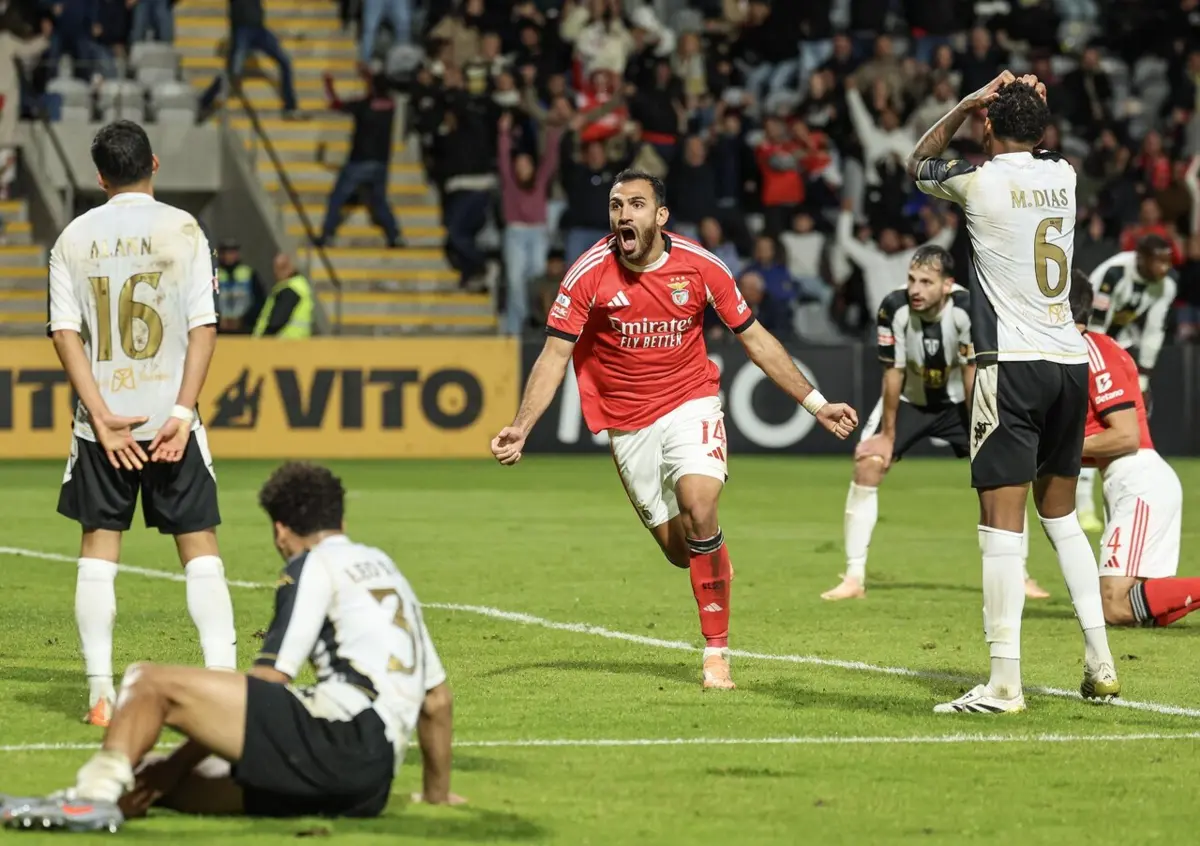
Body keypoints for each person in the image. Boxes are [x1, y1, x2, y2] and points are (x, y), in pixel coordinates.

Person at [489, 169, 859, 691]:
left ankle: (716, 654)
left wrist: (815, 403)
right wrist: (522, 426)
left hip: (691, 401)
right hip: (627, 422)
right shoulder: (588, 272)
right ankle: (713, 563)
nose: (623, 214)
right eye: (616, 205)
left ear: (660, 216)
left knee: (699, 505)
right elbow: (554, 355)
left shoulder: (701, 266)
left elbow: (755, 339)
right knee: (682, 551)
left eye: (636, 204)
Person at [0, 462, 459, 832]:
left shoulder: (312, 565)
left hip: (337, 738)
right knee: (152, 779)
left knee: (147, 681)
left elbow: (270, 680)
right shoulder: (383, 566)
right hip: (366, 786)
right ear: (341, 519)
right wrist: (436, 794)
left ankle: (91, 799)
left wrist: (177, 761)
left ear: (280, 530)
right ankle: (88, 802)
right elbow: (436, 700)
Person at [908, 71, 1118, 714]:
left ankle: (1004, 683)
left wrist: (967, 103)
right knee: (1062, 518)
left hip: (1013, 366)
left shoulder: (978, 182)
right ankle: (1101, 662)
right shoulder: (1064, 176)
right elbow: (1036, 145)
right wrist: (1025, 111)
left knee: (1000, 524)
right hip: (1069, 361)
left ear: (989, 126)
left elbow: (918, 161)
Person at [45, 120, 237, 727]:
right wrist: (180, 412)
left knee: (98, 552)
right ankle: (224, 685)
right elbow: (204, 326)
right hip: (169, 419)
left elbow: (64, 333)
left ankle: (102, 695)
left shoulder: (72, 238)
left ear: (100, 177)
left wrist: (102, 417)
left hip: (102, 428)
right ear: (154, 163)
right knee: (199, 549)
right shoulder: (184, 229)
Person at [822, 245, 1052, 602]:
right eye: (912, 279)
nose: (915, 289)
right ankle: (854, 577)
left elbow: (973, 373)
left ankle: (1018, 575)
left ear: (946, 285)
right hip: (910, 401)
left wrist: (983, 430)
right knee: (868, 463)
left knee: (1003, 476)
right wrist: (887, 435)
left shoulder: (967, 309)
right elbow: (893, 373)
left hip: (960, 402)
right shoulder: (893, 307)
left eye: (926, 282)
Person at [1069, 274, 1197, 627]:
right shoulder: (1092, 348)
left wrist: (1059, 447)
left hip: (1139, 483)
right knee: (1133, 609)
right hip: (1131, 482)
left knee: (1114, 606)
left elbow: (1125, 437)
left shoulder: (1091, 350)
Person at [1075, 235, 1179, 531]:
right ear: (1141, 258)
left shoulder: (1166, 286)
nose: (1164, 268)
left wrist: (1143, 380)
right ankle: (1083, 503)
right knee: (1092, 423)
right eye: (1158, 261)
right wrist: (1097, 367)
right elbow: (1094, 321)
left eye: (1167, 262)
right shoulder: (1114, 274)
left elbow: (1153, 332)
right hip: (1090, 345)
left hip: (1118, 347)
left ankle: (1123, 498)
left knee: (1121, 425)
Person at [315, 69, 403, 250]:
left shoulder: (364, 106)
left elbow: (337, 105)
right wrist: (367, 75)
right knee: (379, 201)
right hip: (381, 163)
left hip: (359, 161)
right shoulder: (391, 106)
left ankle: (326, 235)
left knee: (337, 198)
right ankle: (394, 235)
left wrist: (329, 85)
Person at [252, 254, 314, 338]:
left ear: (291, 268)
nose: (276, 272)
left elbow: (276, 322)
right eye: (276, 267)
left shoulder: (291, 289)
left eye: (282, 267)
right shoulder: (298, 285)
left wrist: (263, 339)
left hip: (283, 342)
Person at [215, 239, 264, 334]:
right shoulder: (213, 275)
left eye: (232, 252)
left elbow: (259, 301)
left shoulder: (249, 273)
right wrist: (218, 319)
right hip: (219, 329)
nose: (228, 256)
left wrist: (244, 320)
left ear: (237, 254)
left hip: (244, 327)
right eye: (225, 252)